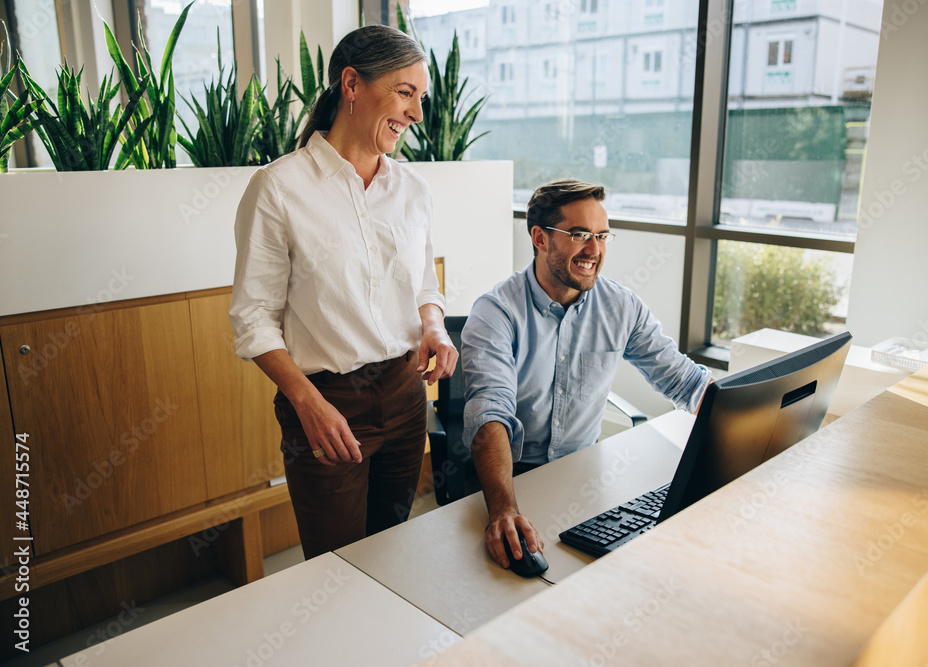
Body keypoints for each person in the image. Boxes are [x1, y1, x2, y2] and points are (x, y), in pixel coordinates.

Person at [230, 24, 457, 559]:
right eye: (405, 93)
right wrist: (305, 402)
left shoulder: (413, 190)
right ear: (351, 85)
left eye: (420, 98)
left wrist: (433, 327)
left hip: (405, 394)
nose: (417, 115)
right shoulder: (279, 188)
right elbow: (253, 317)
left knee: (390, 549)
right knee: (335, 567)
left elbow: (424, 282)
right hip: (327, 402)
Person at [461, 178, 711, 570]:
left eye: (602, 235)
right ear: (540, 239)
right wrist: (505, 509)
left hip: (586, 476)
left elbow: (686, 382)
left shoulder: (621, 306)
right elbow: (490, 412)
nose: (594, 250)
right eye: (580, 235)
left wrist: (747, 422)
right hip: (515, 480)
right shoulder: (496, 313)